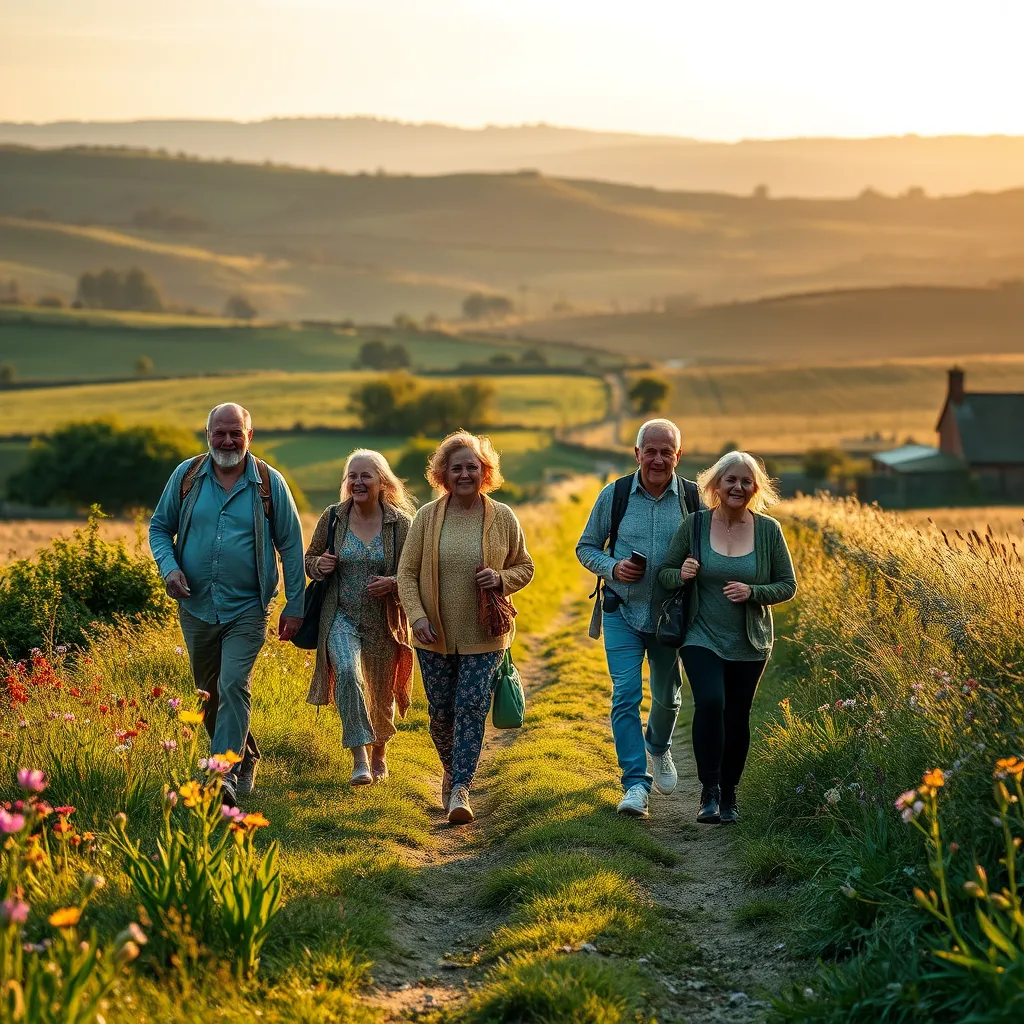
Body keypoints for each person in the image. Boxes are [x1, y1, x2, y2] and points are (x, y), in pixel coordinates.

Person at [150, 403, 305, 806]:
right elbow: (159, 528)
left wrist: (295, 604)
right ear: (208, 435)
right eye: (219, 433)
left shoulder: (269, 483)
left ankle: (222, 776)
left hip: (248, 609)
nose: (227, 441)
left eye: (235, 432)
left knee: (234, 683)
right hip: (196, 605)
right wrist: (169, 569)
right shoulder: (186, 476)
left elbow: (290, 544)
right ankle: (247, 755)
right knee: (208, 692)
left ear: (249, 436)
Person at [397, 431, 534, 825]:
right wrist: (418, 616)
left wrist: (502, 579)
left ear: (485, 471)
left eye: (471, 467)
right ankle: (452, 768)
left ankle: (461, 787)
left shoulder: (503, 517)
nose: (464, 474)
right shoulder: (426, 517)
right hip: (432, 635)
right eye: (456, 468)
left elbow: (525, 565)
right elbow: (406, 575)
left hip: (485, 635)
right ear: (442, 473)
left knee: (470, 707)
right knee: (440, 712)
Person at [657, 451, 796, 825]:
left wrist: (753, 592)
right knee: (711, 703)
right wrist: (682, 573)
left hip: (750, 641)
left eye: (746, 481)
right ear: (715, 485)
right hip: (701, 633)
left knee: (737, 716)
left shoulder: (769, 530)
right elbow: (665, 574)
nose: (738, 486)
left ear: (755, 488)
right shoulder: (695, 526)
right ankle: (709, 791)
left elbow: (788, 585)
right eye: (730, 480)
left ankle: (730, 797)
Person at [576, 418, 702, 819]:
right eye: (651, 450)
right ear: (637, 454)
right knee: (625, 694)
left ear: (678, 456)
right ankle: (634, 784)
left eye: (667, 451)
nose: (659, 458)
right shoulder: (613, 496)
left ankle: (659, 747)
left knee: (668, 698)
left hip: (672, 618)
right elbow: (586, 547)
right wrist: (612, 568)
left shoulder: (694, 500)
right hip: (621, 612)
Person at [303, 450, 416, 785]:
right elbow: (310, 559)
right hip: (341, 615)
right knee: (349, 677)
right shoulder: (333, 517)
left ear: (382, 482)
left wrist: (394, 583)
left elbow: (413, 573)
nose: (358, 482)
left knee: (381, 694)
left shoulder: (400, 524)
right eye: (352, 476)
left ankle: (380, 752)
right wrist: (319, 566)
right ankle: (360, 758)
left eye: (366, 475)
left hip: (385, 621)